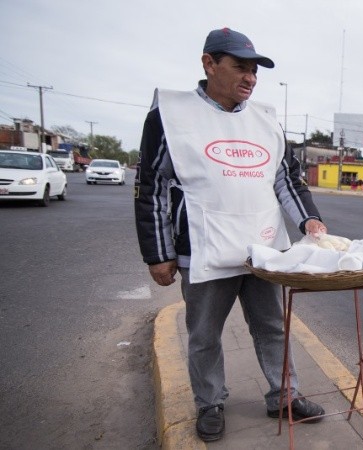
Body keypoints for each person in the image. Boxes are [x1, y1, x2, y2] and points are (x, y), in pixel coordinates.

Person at [134, 27, 327, 442]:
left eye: (255, 71)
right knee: (204, 334)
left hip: (262, 248)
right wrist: (158, 253)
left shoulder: (266, 121)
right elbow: (151, 188)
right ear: (209, 63)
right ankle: (210, 403)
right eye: (240, 68)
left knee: (273, 326)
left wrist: (309, 220)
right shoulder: (170, 116)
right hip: (202, 249)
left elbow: (287, 180)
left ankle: (285, 396)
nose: (250, 79)